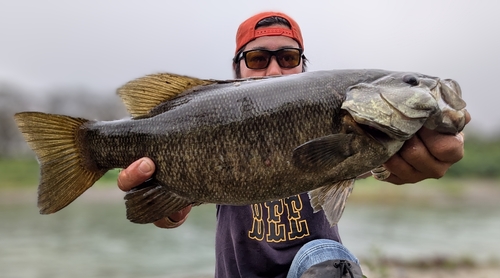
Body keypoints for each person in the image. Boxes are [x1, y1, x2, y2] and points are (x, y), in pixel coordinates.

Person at [117, 11, 471, 278]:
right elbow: (169, 212)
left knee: (325, 259)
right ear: (235, 70)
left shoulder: (357, 131)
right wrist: (167, 208)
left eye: (287, 58)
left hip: (317, 270)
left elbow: (379, 167)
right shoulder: (204, 117)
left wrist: (414, 153)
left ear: (304, 69)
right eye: (257, 59)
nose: (273, 71)